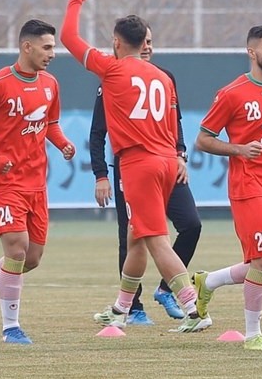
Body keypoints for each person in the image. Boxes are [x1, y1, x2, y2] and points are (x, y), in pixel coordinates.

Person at [60, 0, 208, 333]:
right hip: (167, 161)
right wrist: (176, 156)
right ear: (145, 42)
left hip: (138, 164)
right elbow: (173, 123)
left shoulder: (111, 69)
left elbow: (68, 37)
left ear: (116, 42)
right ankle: (121, 308)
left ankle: (194, 310)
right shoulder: (162, 78)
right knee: (136, 236)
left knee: (155, 238)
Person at [0, 19, 75, 344]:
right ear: (27, 46)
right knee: (16, 248)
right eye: (47, 47)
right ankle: (11, 328)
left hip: (36, 182)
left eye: (53, 47)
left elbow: (50, 123)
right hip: (5, 182)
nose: (52, 53)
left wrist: (62, 143)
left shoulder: (50, 83)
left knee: (32, 258)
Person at [192, 25, 262, 351]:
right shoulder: (232, 93)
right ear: (251, 53)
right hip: (248, 186)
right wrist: (238, 149)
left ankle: (208, 281)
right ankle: (253, 335)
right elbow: (203, 140)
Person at [89, 25, 202, 324]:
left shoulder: (164, 77)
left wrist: (180, 154)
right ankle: (127, 308)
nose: (148, 46)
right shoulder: (113, 78)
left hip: (158, 164)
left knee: (180, 228)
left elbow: (175, 123)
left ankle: (187, 304)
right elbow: (97, 132)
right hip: (137, 165)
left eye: (151, 41)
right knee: (133, 236)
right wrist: (101, 174)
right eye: (144, 41)